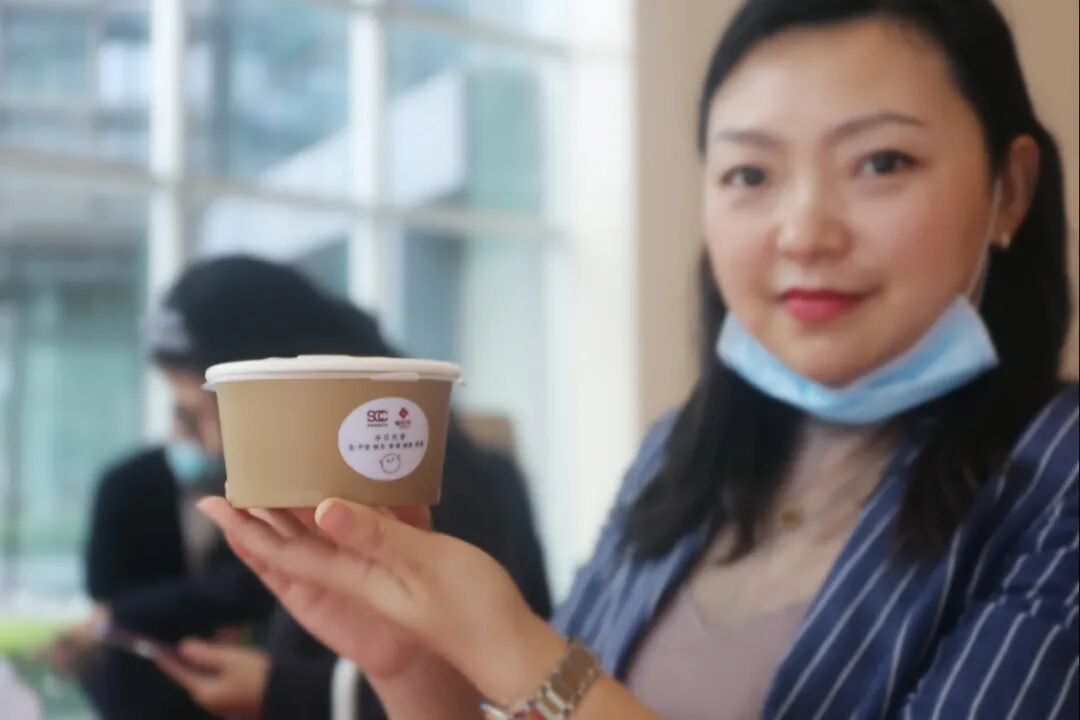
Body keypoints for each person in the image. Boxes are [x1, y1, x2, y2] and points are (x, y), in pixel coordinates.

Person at [197, 1, 1079, 718]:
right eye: (750, 174)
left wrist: (512, 646)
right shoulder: (681, 455)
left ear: (1009, 190)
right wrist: (413, 664)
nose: (805, 232)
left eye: (881, 162)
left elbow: (550, 687)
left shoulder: (1058, 482)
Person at [117, 256, 549, 720]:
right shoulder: (328, 480)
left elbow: (489, 686)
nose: (209, 443)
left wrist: (283, 690)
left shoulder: (415, 484)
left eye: (204, 413)